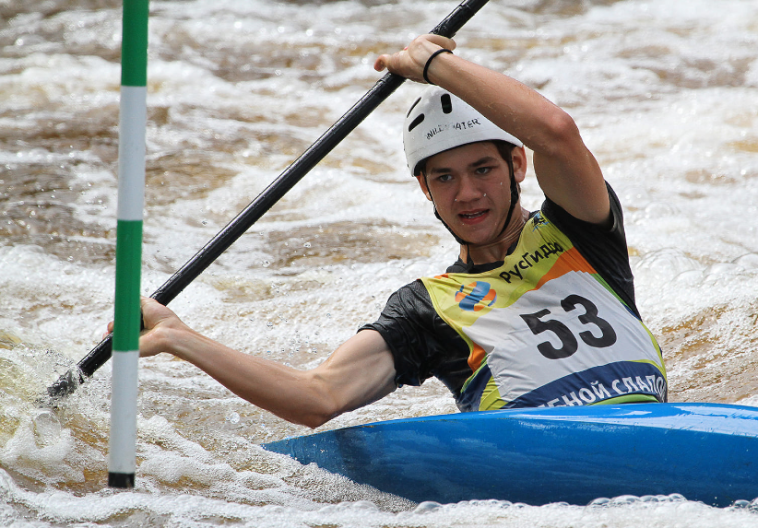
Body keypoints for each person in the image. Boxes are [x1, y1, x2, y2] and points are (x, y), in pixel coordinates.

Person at [121, 34, 667, 429]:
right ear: (425, 189)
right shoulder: (427, 309)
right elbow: (318, 397)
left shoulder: (581, 229)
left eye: (483, 169)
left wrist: (434, 65)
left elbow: (557, 131)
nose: (467, 193)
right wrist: (179, 338)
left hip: (658, 431)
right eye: (444, 177)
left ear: (517, 166)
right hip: (549, 466)